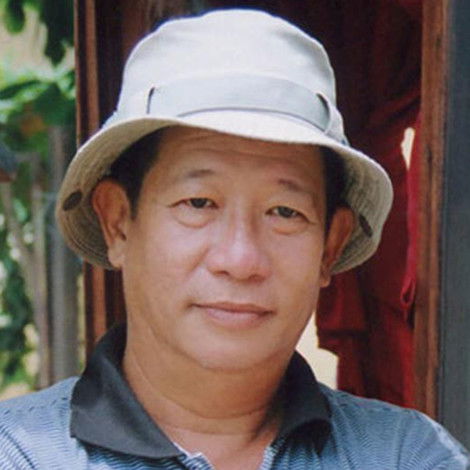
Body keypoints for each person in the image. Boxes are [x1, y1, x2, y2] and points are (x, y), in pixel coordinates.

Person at [0, 9, 468, 470]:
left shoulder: (407, 455)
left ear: (330, 246)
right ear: (118, 223)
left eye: (284, 212)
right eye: (199, 203)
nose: (240, 259)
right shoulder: (21, 454)